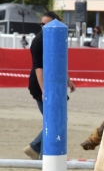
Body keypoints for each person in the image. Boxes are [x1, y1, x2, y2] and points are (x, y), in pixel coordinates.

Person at [24, 11, 76, 160]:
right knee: (53, 119)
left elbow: (59, 62)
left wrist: (68, 80)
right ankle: (36, 148)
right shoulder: (38, 41)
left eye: (47, 24)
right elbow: (38, 67)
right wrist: (44, 90)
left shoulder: (57, 38)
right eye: (42, 24)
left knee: (56, 118)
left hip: (55, 83)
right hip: (41, 84)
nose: (44, 27)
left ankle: (38, 151)